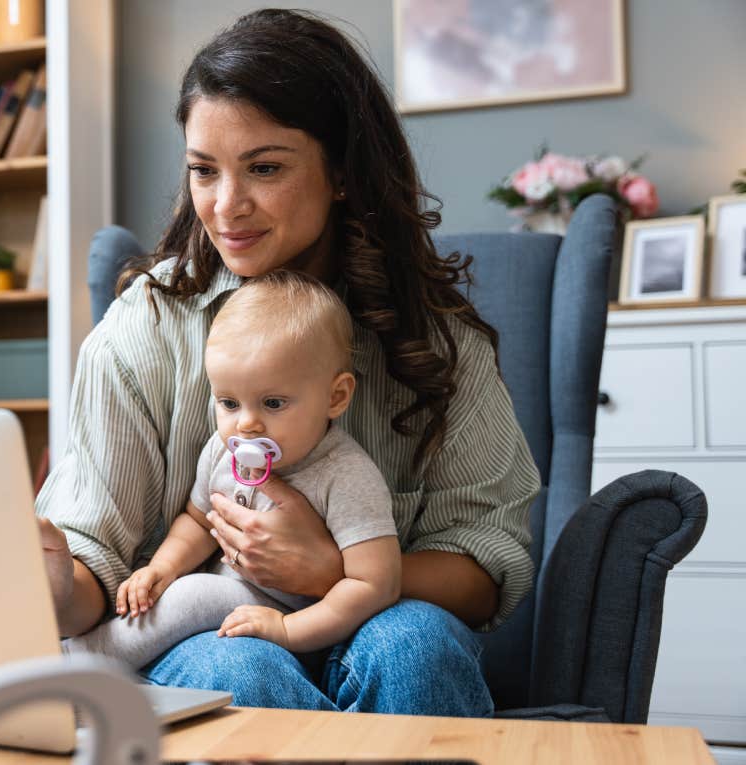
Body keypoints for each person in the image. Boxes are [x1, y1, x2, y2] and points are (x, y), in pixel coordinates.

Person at [34, 8, 540, 716]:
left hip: (380, 620)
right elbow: (95, 566)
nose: (227, 206)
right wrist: (52, 576)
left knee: (416, 646)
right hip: (211, 631)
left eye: (265, 168)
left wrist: (333, 571)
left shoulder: (436, 338)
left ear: (340, 171)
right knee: (240, 666)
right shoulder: (143, 327)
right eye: (203, 171)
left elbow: (487, 563)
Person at [62, 272, 400, 669]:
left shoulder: (346, 475)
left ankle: (87, 662)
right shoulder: (223, 451)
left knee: (195, 595)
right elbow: (198, 520)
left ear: (336, 396)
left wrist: (289, 629)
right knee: (182, 591)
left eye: (273, 403)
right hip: (238, 612)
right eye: (228, 402)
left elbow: (376, 584)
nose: (246, 425)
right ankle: (98, 662)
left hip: (306, 620)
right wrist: (162, 568)